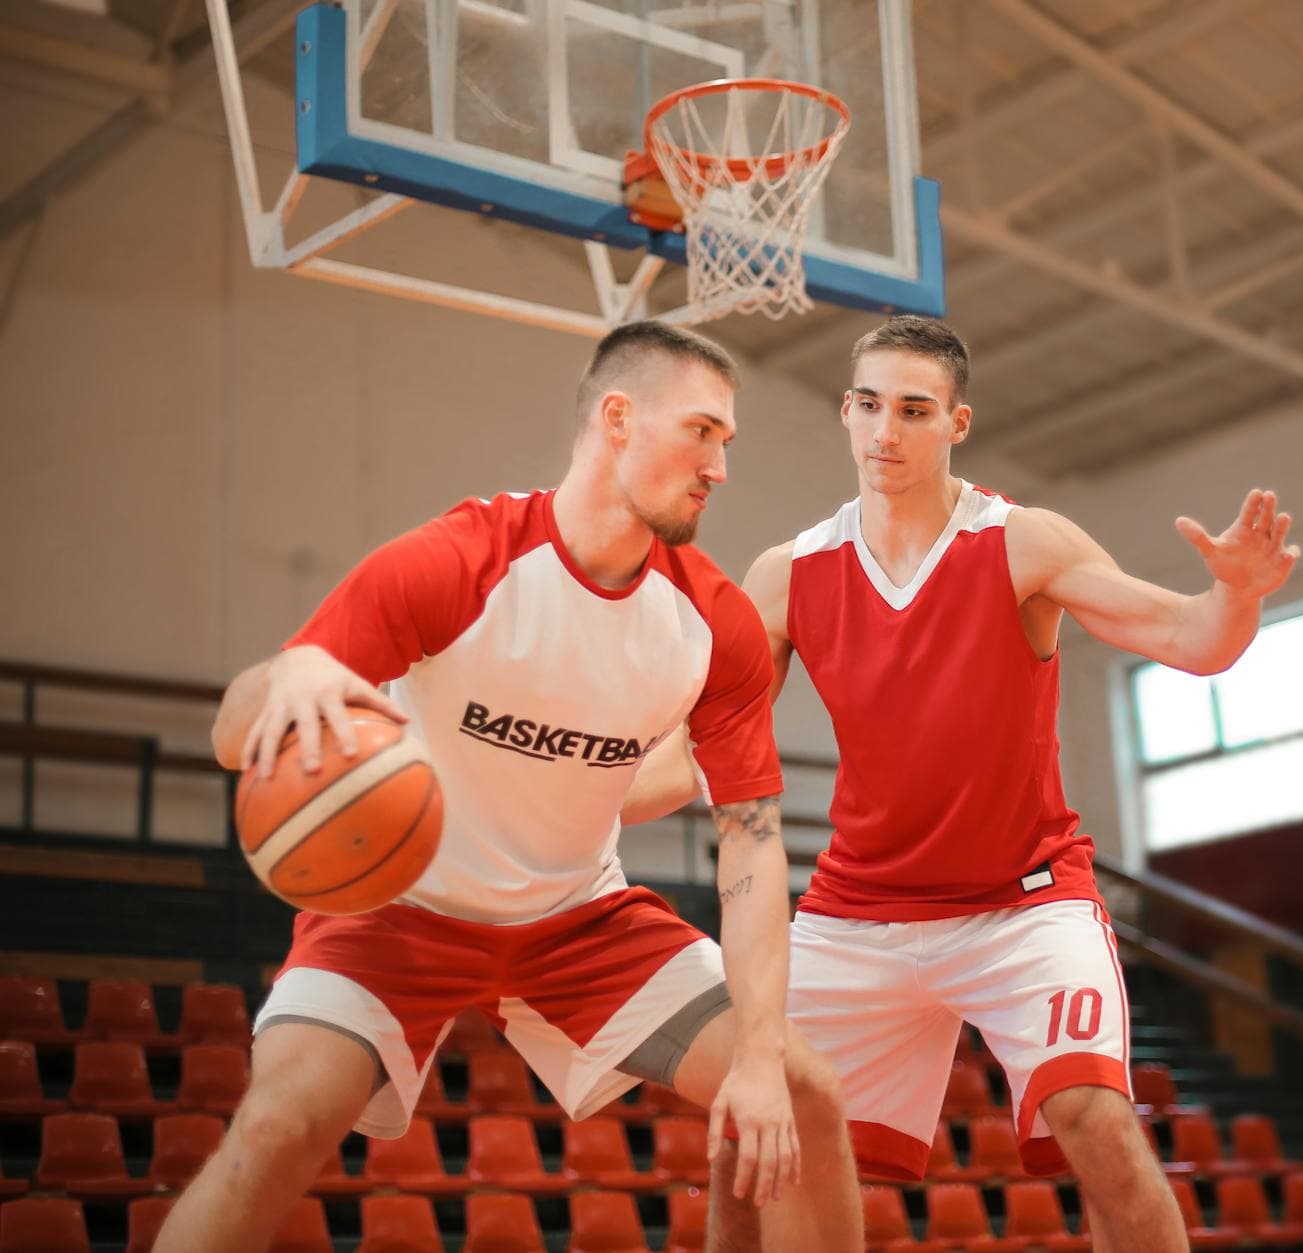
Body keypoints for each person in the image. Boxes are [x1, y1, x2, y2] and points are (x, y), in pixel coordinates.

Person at [156, 322, 862, 1252]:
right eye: (702, 432)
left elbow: (754, 837)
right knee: (279, 1127)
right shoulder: (457, 560)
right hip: (396, 910)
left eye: (727, 441)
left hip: (579, 920)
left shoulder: (711, 626)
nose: (719, 465)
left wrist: (763, 1054)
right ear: (618, 419)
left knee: (803, 1093)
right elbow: (229, 732)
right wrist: (284, 677)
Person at [622, 316, 1300, 1250]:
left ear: (957, 423)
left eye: (913, 409)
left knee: (1099, 1125)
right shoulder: (788, 573)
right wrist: (569, 796)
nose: (884, 431)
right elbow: (701, 750)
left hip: (1022, 903)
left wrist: (1238, 595)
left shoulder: (1024, 544)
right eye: (867, 405)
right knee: (749, 1137)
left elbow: (1191, 638)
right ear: (845, 412)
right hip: (859, 910)